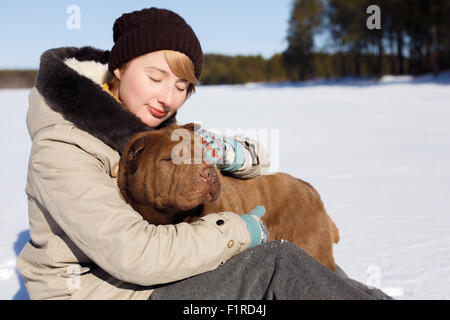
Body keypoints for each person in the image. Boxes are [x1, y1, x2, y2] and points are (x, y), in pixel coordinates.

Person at [17, 7, 391, 300]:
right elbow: (132, 254)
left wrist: (227, 153)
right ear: (119, 66)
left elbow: (256, 158)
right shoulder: (63, 146)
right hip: (103, 291)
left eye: (182, 86)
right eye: (155, 77)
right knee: (275, 265)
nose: (168, 98)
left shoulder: (155, 129)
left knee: (320, 275)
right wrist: (238, 233)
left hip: (149, 277)